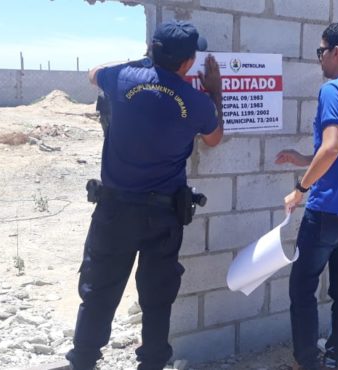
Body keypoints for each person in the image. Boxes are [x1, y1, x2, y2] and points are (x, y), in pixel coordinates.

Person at [65, 20, 224, 370]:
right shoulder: (196, 102)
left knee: (98, 292)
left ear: (152, 50)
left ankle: (83, 361)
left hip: (114, 211)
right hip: (162, 217)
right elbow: (213, 139)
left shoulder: (122, 78)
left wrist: (138, 64)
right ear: (187, 63)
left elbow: (93, 72)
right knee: (156, 298)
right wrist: (215, 92)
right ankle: (151, 364)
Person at [275, 21, 338, 370]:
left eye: (321, 51)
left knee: (302, 287)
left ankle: (307, 362)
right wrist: (302, 158)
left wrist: (300, 188)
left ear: (336, 52)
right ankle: (337, 359)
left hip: (327, 210)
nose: (319, 59)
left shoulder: (333, 90)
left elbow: (331, 149)